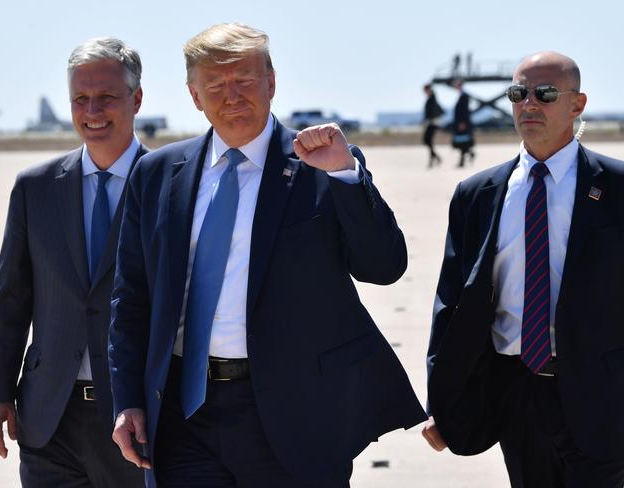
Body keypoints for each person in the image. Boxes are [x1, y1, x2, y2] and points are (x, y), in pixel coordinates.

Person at [108, 22, 426, 487]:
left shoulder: (323, 165)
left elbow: (383, 266)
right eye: (215, 84)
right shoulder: (156, 174)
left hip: (294, 413)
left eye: (244, 79)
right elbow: (130, 299)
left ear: (271, 82)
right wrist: (127, 399)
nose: (231, 95)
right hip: (181, 415)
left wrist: (345, 177)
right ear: (195, 96)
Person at [422, 51, 624, 487]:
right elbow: (452, 303)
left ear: (577, 104)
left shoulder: (617, 188)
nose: (529, 104)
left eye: (546, 93)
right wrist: (441, 398)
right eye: (518, 93)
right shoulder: (477, 194)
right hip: (516, 391)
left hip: (602, 393)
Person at [0, 37, 147, 487]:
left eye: (107, 97)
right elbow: (10, 301)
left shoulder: (169, 186)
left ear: (136, 98)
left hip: (139, 421)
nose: (92, 110)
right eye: (80, 98)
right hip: (49, 418)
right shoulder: (35, 188)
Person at [452, 79, 475, 167]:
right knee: (462, 142)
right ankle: (469, 154)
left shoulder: (464, 96)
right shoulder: (461, 95)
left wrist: (462, 122)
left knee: (462, 143)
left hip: (462, 123)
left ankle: (462, 161)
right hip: (460, 122)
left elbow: (464, 111)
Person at [423, 84, 444, 167]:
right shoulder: (431, 98)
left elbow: (432, 111)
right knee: (427, 141)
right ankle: (435, 158)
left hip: (433, 123)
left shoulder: (432, 98)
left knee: (427, 140)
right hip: (431, 123)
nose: (425, 93)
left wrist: (428, 119)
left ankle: (434, 158)